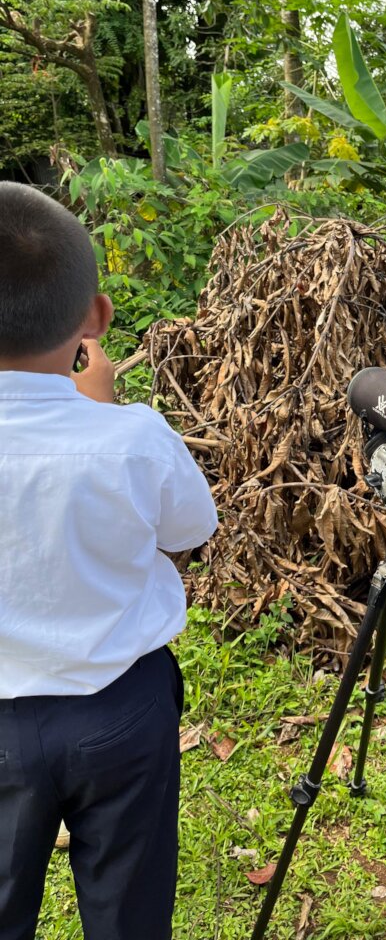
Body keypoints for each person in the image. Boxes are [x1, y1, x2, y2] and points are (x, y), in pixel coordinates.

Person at [0, 182, 218, 940]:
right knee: (130, 911)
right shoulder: (133, 435)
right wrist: (98, 410)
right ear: (96, 318)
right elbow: (189, 530)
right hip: (121, 710)